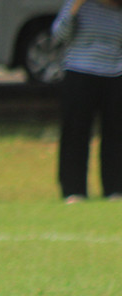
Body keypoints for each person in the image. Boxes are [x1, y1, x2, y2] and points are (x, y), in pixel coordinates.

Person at [52, 0, 122, 203]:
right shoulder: (79, 4)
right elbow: (59, 35)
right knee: (75, 131)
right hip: (79, 71)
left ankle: (115, 189)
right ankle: (74, 190)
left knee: (116, 133)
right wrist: (75, 7)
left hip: (115, 73)